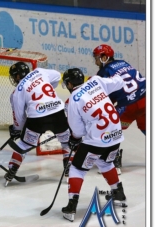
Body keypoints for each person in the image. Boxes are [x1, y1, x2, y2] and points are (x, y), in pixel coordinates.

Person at [61, 68, 127, 222]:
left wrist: (74, 139)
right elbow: (119, 81)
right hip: (116, 136)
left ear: (70, 84)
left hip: (96, 141)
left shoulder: (73, 100)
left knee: (77, 168)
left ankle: (71, 206)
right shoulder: (96, 81)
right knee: (105, 162)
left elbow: (77, 131)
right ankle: (118, 192)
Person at [5, 62, 72, 186]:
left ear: (18, 76)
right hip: (58, 112)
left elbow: (19, 115)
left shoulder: (18, 90)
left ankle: (12, 170)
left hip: (37, 118)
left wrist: (18, 129)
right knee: (66, 143)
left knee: (24, 145)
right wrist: (47, 85)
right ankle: (69, 171)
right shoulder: (40, 71)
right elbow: (57, 75)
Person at [92, 44, 146, 174]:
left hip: (129, 106)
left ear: (104, 57)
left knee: (110, 129)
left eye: (97, 58)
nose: (95, 62)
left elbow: (107, 101)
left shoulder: (103, 73)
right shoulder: (123, 62)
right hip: (146, 98)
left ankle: (113, 161)